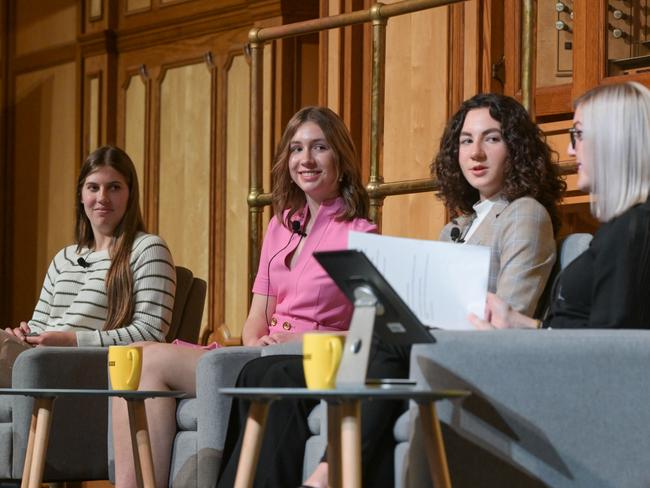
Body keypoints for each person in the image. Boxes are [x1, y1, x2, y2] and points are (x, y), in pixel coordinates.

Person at [216, 93, 566, 488]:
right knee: (265, 371)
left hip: (460, 355)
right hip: (419, 347)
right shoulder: (459, 224)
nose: (476, 153)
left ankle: (330, 474)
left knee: (376, 342)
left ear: (516, 148)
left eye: (492, 139)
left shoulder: (523, 213)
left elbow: (510, 314)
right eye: (466, 141)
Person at [112, 106, 377, 488]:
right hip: (259, 351)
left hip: (310, 358)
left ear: (340, 156)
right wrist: (258, 341)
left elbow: (366, 335)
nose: (306, 159)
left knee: (153, 360)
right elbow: (257, 313)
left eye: (319, 147)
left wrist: (295, 341)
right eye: (297, 148)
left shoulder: (361, 234)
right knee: (140, 356)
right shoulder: (280, 225)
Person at [471, 81, 650, 331]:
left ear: (613, 139)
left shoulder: (630, 229)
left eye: (578, 134)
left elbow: (607, 353)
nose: (570, 150)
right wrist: (524, 325)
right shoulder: (625, 226)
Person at [0, 145, 176, 387]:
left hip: (89, 368)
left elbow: (150, 335)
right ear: (81, 196)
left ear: (130, 195)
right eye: (93, 187)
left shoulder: (148, 248)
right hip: (37, 361)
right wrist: (24, 335)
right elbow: (39, 326)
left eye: (114, 187)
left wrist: (73, 341)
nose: (102, 198)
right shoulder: (64, 257)